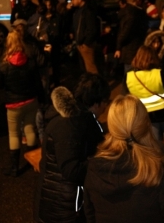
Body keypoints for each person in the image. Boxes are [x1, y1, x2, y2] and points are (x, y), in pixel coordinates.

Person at [84, 95, 164, 223]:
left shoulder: (93, 169)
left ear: (112, 127)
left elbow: (90, 214)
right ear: (145, 124)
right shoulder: (159, 176)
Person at [34, 73, 110, 223]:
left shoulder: (73, 119)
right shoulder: (72, 125)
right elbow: (71, 170)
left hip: (54, 201)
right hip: (62, 209)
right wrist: (102, 160)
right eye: (105, 102)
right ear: (96, 103)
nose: (106, 107)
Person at [0, 31, 42, 177]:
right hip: (31, 101)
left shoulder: (4, 66)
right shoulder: (30, 62)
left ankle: (14, 168)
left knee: (14, 134)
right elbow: (37, 83)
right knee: (30, 129)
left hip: (14, 105)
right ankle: (33, 162)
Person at [126, 45, 164, 171]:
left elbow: (127, 97)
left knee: (155, 142)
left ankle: (159, 169)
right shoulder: (158, 73)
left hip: (148, 115)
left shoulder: (129, 77)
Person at [114, 0, 148, 74]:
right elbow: (125, 32)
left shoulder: (124, 11)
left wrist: (118, 47)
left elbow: (121, 31)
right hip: (133, 48)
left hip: (127, 48)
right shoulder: (135, 13)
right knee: (132, 75)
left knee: (129, 73)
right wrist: (118, 46)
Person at [70, 0, 99, 74]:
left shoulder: (87, 11)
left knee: (91, 68)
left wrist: (86, 43)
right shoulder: (77, 11)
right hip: (80, 43)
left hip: (85, 45)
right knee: (85, 68)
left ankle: (96, 85)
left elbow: (92, 29)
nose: (72, 2)